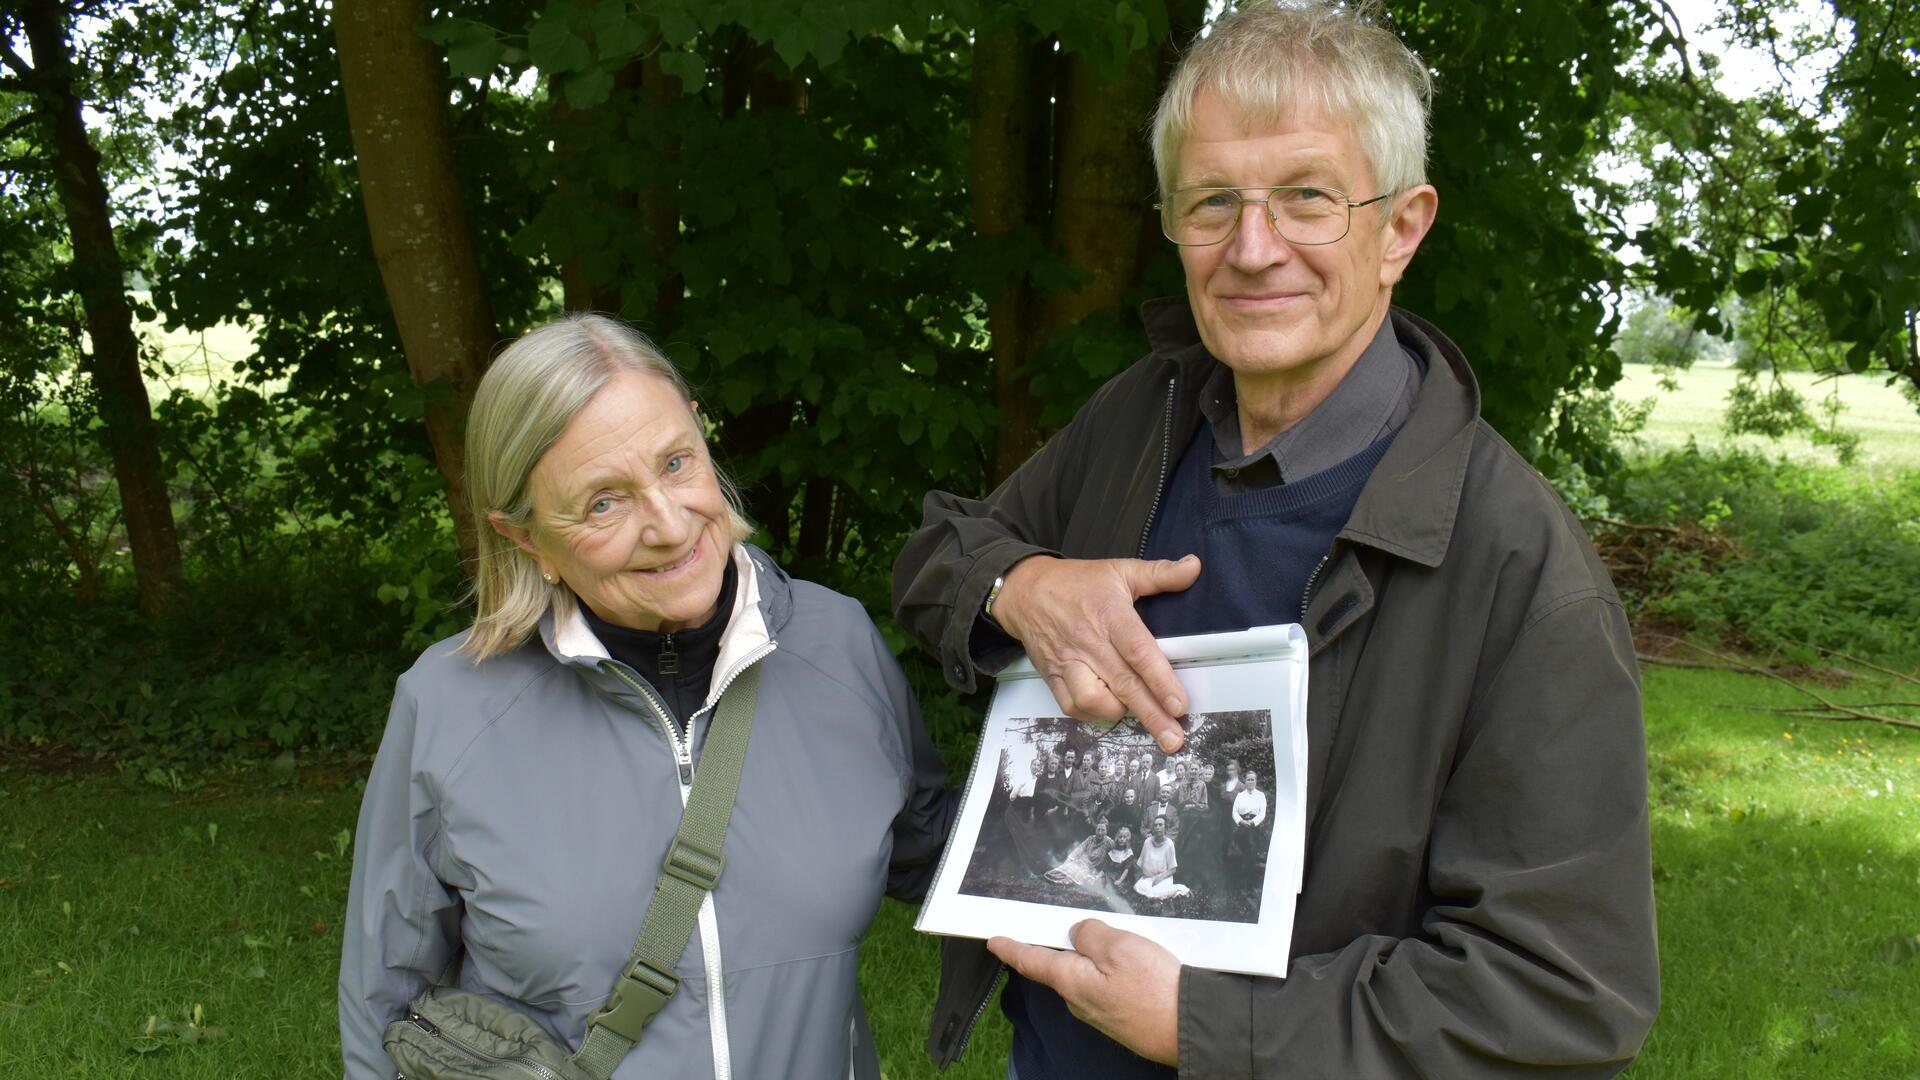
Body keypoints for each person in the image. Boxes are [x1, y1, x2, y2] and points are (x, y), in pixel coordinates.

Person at [895, 2, 1656, 1075]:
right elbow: (936, 556)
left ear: (1401, 228)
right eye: (1213, 203)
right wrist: (1019, 584)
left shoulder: (1521, 572)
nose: (1253, 251)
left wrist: (1211, 1028)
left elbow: (1559, 997)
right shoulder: (1143, 419)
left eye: (1306, 198)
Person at [339, 314, 954, 1080]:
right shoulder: (450, 707)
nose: (668, 525)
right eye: (603, 502)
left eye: (675, 462)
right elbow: (383, 1002)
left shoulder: (838, 645)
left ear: (703, 436)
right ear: (526, 539)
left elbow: (941, 857)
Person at [1043, 817, 1116, 890]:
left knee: (1074, 876)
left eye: (1103, 830)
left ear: (1106, 831)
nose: (1100, 832)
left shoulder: (1109, 843)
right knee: (1058, 872)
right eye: (1098, 830)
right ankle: (1058, 882)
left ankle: (1063, 884)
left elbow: (1114, 855)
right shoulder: (1090, 839)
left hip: (1090, 868)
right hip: (1080, 861)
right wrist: (1070, 859)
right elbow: (1080, 849)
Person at [1131, 816, 1190, 900]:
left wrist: (1160, 878)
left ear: (1165, 828)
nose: (1157, 827)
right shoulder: (1147, 842)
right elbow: (1140, 864)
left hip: (1164, 878)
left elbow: (1173, 869)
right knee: (1138, 887)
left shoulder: (1169, 844)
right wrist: (1144, 876)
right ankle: (1155, 894)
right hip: (1148, 878)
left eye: (1160, 825)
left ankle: (1180, 888)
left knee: (1156, 891)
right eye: (1155, 825)